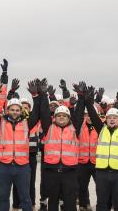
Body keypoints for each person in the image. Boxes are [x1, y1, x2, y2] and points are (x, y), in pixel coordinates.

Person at [0, 78, 44, 211]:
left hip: (22, 167)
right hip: (4, 167)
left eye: (17, 110)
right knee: (3, 197)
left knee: (25, 198)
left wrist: (35, 96)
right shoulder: (0, 123)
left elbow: (36, 113)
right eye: (12, 109)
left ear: (21, 111)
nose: (15, 112)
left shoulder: (27, 123)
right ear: (7, 110)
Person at [38, 82, 89, 211]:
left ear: (68, 118)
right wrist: (43, 95)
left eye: (64, 116)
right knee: (53, 201)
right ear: (54, 118)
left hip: (69, 172)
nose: (61, 118)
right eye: (59, 115)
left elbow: (78, 113)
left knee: (70, 202)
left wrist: (81, 96)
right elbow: (44, 112)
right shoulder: (49, 127)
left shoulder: (74, 128)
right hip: (52, 171)